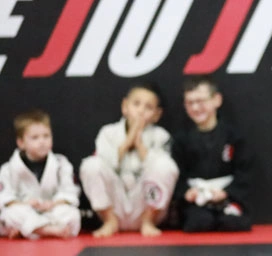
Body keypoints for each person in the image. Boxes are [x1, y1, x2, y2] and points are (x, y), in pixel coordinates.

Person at [78, 83, 179, 237]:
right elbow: (105, 165)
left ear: (157, 115)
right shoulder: (108, 132)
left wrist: (140, 145)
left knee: (165, 165)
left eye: (148, 107)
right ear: (125, 106)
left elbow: (163, 173)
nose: (141, 111)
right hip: (115, 204)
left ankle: (148, 221)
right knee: (90, 165)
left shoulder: (161, 136)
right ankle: (109, 221)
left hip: (144, 205)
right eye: (136, 104)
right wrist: (128, 141)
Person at [170, 75, 253, 232]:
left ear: (217, 100)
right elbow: (176, 175)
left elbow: (245, 172)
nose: (195, 108)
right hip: (197, 199)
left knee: (233, 222)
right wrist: (187, 192)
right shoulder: (181, 140)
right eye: (190, 103)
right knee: (198, 222)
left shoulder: (234, 136)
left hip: (226, 196)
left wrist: (226, 193)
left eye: (200, 101)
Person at [0, 109, 81, 239]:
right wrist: (26, 204)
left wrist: (52, 204)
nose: (42, 141)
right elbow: (5, 198)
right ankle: (49, 230)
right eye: (35, 138)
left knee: (72, 214)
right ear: (21, 143)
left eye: (46, 136)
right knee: (9, 214)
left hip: (51, 211)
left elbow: (70, 192)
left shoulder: (61, 164)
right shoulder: (8, 169)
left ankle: (30, 231)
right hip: (25, 210)